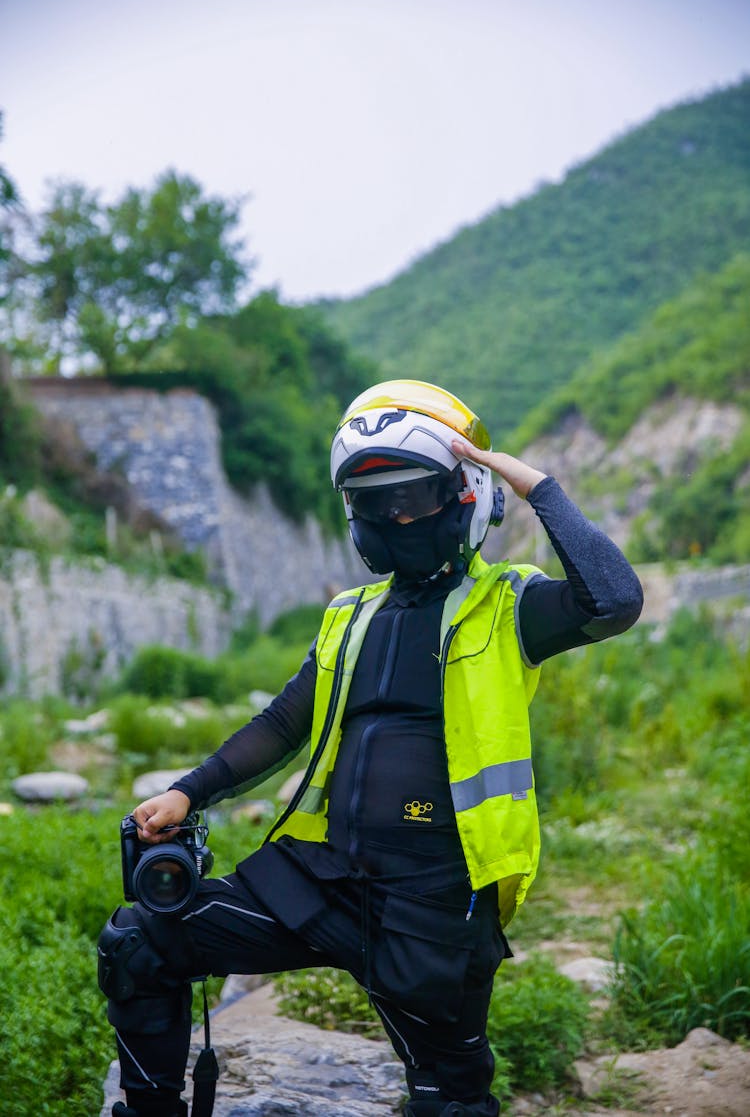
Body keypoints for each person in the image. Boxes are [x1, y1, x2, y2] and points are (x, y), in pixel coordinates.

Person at [98, 379, 643, 1117]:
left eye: (412, 497)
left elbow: (614, 599)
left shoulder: (513, 606)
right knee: (140, 940)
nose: (394, 516)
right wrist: (189, 790)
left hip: (432, 900)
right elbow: (283, 723)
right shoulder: (348, 616)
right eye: (373, 503)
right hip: (317, 881)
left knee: (450, 1098)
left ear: (465, 496)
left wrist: (538, 485)